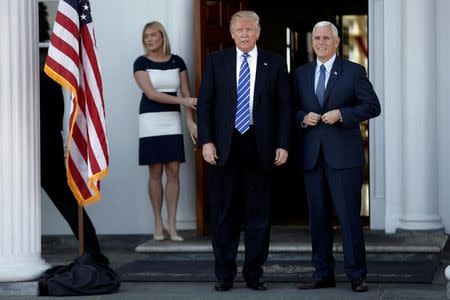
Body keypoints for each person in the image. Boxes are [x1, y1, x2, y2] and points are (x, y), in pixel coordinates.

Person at [197, 11, 291, 292]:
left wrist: (283, 143)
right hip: (224, 148)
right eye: (239, 30)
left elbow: (285, 106)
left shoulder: (274, 62)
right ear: (231, 33)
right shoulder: (217, 61)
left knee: (258, 214)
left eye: (250, 29)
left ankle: (254, 274)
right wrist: (207, 141)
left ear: (258, 32)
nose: (245, 34)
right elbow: (205, 105)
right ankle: (224, 275)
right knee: (224, 214)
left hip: (260, 147)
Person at [292, 21, 381, 292]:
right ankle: (323, 273)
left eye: (325, 38)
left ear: (336, 41)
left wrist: (342, 114)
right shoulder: (300, 74)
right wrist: (301, 118)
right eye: (316, 38)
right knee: (318, 218)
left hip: (344, 157)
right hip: (312, 157)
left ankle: (356, 275)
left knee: (349, 218)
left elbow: (372, 106)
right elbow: (290, 109)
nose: (320, 42)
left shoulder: (353, 71)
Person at [39, 49, 108, 265]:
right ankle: (92, 250)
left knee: (66, 200)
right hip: (44, 145)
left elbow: (53, 118)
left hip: (42, 146)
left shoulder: (43, 76)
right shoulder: (48, 73)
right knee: (66, 200)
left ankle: (92, 251)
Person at [133, 21, 197, 242]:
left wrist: (190, 122)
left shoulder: (177, 61)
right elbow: (152, 94)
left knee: (173, 169)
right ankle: (157, 223)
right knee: (155, 170)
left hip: (172, 120)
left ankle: (172, 224)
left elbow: (188, 95)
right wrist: (183, 101)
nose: (149, 40)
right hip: (150, 119)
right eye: (145, 37)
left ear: (163, 36)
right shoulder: (140, 63)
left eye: (152, 35)